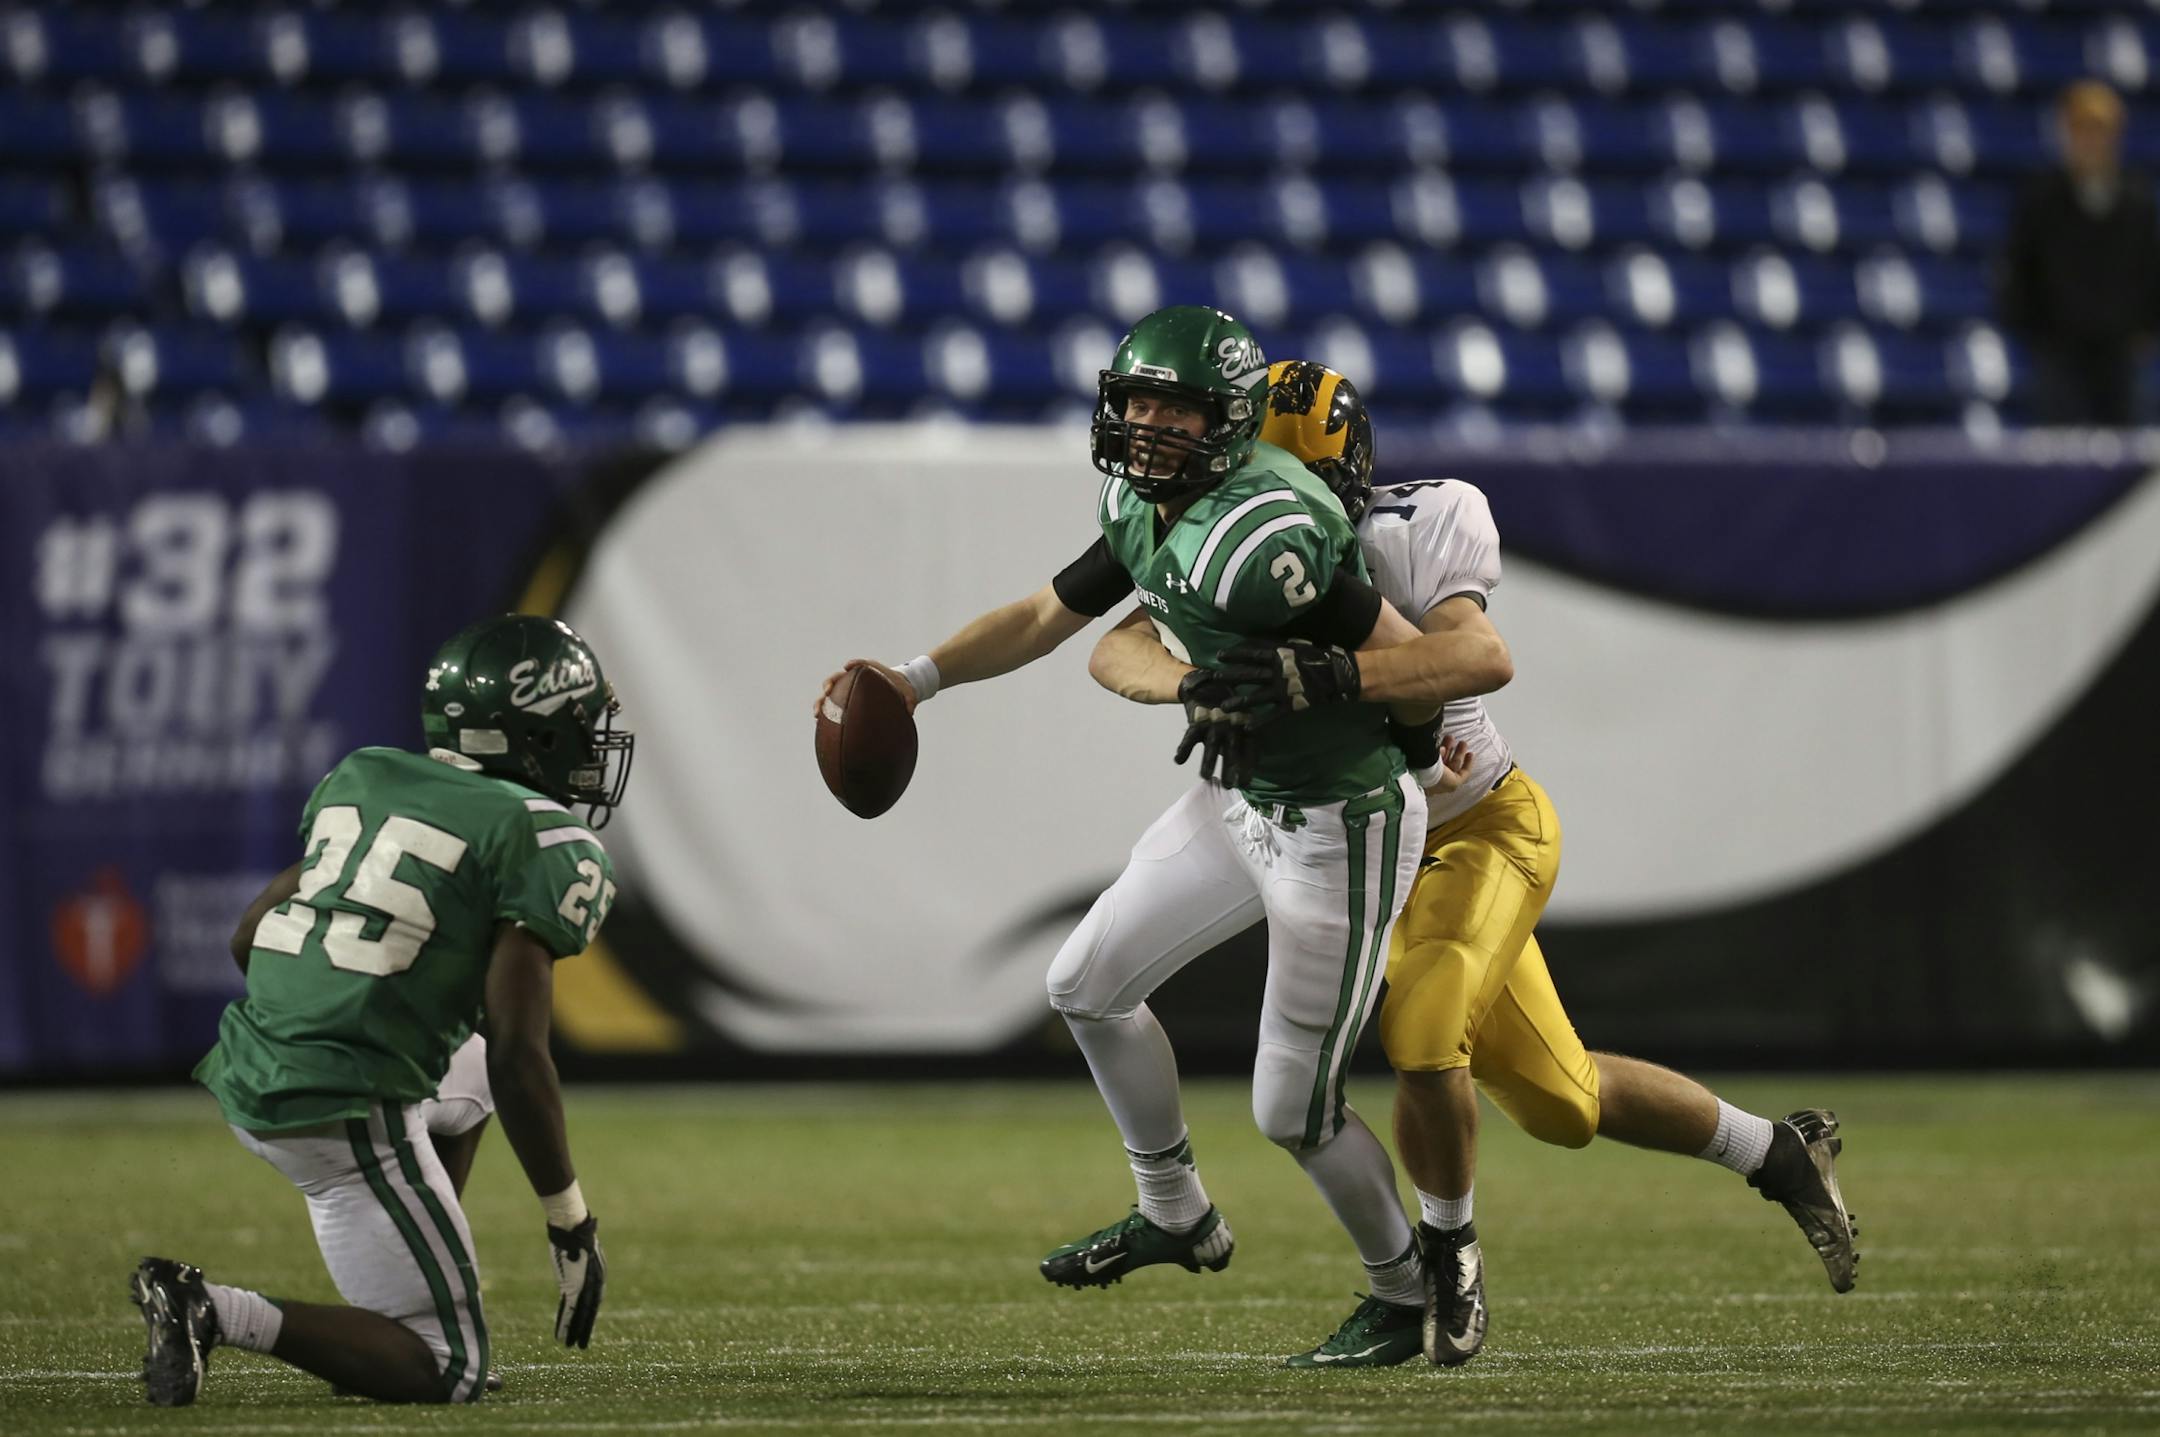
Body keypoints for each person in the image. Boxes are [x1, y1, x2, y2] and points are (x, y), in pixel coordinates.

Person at [1088, 360, 1859, 1368]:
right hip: (1373, 845)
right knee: (1563, 1104)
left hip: (1480, 825)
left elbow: (1479, 656)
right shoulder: (1216, 539)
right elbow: (1117, 639)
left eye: (1302, 485)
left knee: (1421, 1029)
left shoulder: (1412, 527)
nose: (1278, 507)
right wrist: (1193, 683)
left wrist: (1334, 675)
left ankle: (1446, 1253)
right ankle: (1777, 1152)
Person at [817, 306, 1451, 1367]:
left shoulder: (1267, 535)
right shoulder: (1141, 500)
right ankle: (1175, 1210)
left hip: (1340, 817)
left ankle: (1405, 1291)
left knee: (1290, 1109)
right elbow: (1046, 616)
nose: (1149, 426)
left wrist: (1388, 729)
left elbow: (1416, 660)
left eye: (1176, 409)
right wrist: (915, 679)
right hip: (1239, 796)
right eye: (1138, 402)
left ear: (1230, 420)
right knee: (1084, 983)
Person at [129, 614, 631, 1406]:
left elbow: (248, 933)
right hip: (340, 1096)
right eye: (578, 723)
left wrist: (324, 1012)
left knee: (467, 1069)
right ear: (531, 735)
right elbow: (520, 1052)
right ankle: (214, 1308)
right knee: (448, 1367)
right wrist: (569, 1219)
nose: (592, 742)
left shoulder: (369, 774)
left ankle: (381, 1322)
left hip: (254, 1057)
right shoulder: (541, 835)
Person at [1996, 78, 2160, 426]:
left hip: (2120, 354)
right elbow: (2019, 271)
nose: (2091, 141)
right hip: (2059, 354)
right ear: (2066, 134)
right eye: (2082, 130)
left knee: (2124, 444)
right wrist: (2036, 332)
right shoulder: (2041, 200)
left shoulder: (2137, 201)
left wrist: (2147, 328)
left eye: (2100, 130)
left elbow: (2150, 268)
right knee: (2060, 445)